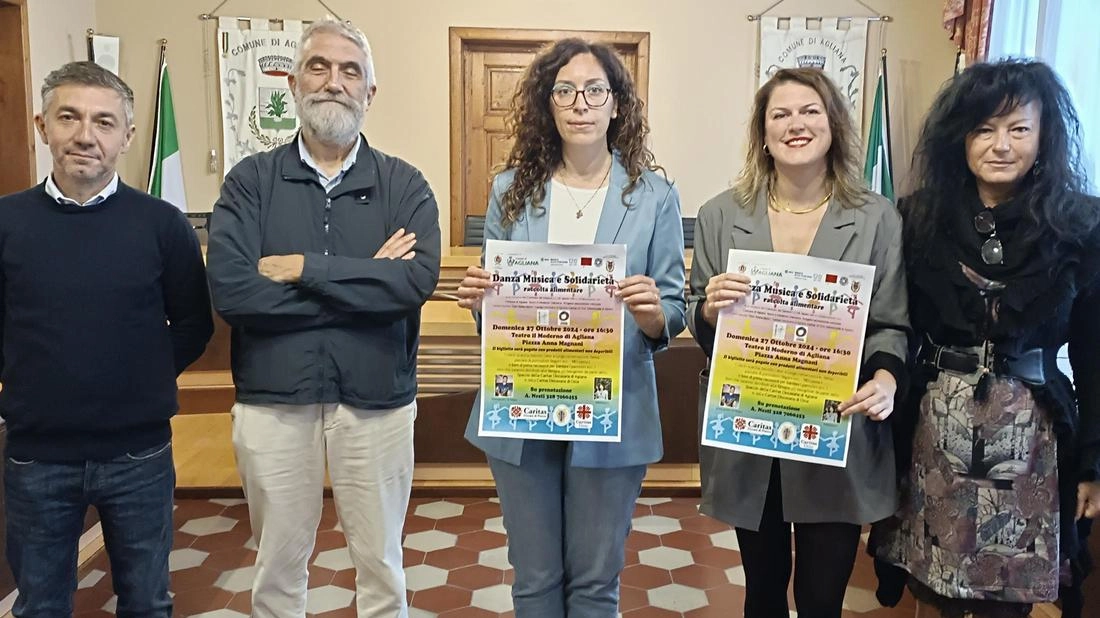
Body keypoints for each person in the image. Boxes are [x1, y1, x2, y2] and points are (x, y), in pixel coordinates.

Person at [205, 17, 441, 618]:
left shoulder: (403, 184)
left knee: (382, 565)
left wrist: (307, 269)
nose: (334, 82)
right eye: (319, 67)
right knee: (277, 566)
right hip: (273, 403)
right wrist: (366, 275)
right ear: (293, 82)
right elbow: (234, 293)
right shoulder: (250, 182)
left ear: (370, 92)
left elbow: (413, 283)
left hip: (376, 402)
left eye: (350, 71)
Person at [455, 38, 686, 617]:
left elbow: (674, 309)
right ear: (548, 105)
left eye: (595, 90)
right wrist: (480, 301)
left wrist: (653, 313)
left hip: (614, 407)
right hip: (523, 406)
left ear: (616, 105)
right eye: (565, 90)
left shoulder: (654, 195)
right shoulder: (512, 190)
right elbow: (497, 306)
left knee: (594, 583)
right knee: (533, 580)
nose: (580, 102)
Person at [872, 59, 1100, 618]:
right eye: (984, 129)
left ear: (1044, 136)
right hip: (936, 431)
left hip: (1033, 441)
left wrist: (1095, 463)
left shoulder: (1083, 225)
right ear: (961, 139)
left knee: (1009, 601)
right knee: (940, 592)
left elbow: (1096, 356)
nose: (1001, 145)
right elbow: (893, 322)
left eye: (1018, 128)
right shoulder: (918, 217)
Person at [687, 67, 909, 618]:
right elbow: (698, 317)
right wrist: (710, 308)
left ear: (832, 123)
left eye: (809, 111)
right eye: (780, 114)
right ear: (762, 133)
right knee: (761, 591)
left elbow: (890, 321)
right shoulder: (720, 214)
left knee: (820, 597)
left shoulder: (877, 216)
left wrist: (885, 378)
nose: (796, 125)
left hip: (836, 431)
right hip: (750, 430)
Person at [0, 61, 213, 617]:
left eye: (103, 121)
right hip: (37, 455)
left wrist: (139, 376)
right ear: (43, 126)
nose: (85, 135)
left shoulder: (164, 225)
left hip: (138, 452)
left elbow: (194, 323)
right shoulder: (5, 223)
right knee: (40, 603)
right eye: (69, 117)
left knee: (146, 599)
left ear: (127, 136)